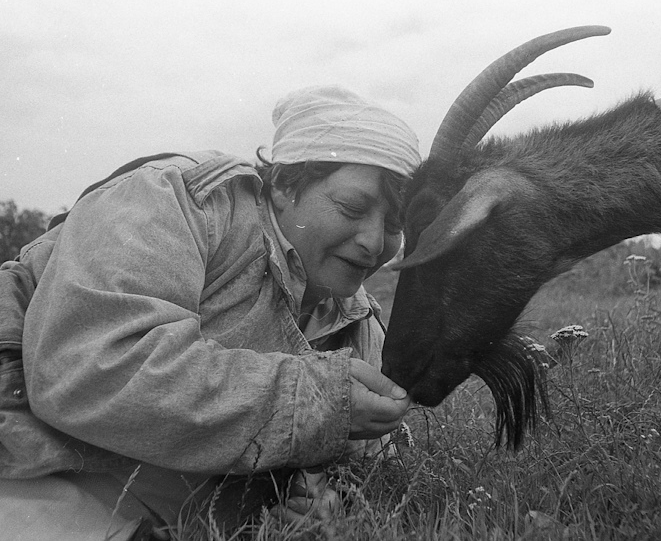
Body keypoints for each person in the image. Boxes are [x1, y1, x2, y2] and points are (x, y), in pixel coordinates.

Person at [0, 85, 420, 539]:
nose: (374, 242)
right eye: (352, 208)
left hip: (158, 513)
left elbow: (374, 467)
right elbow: (88, 368)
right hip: (29, 469)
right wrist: (313, 402)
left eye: (395, 224)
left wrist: (324, 502)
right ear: (283, 185)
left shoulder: (359, 325)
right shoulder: (175, 200)